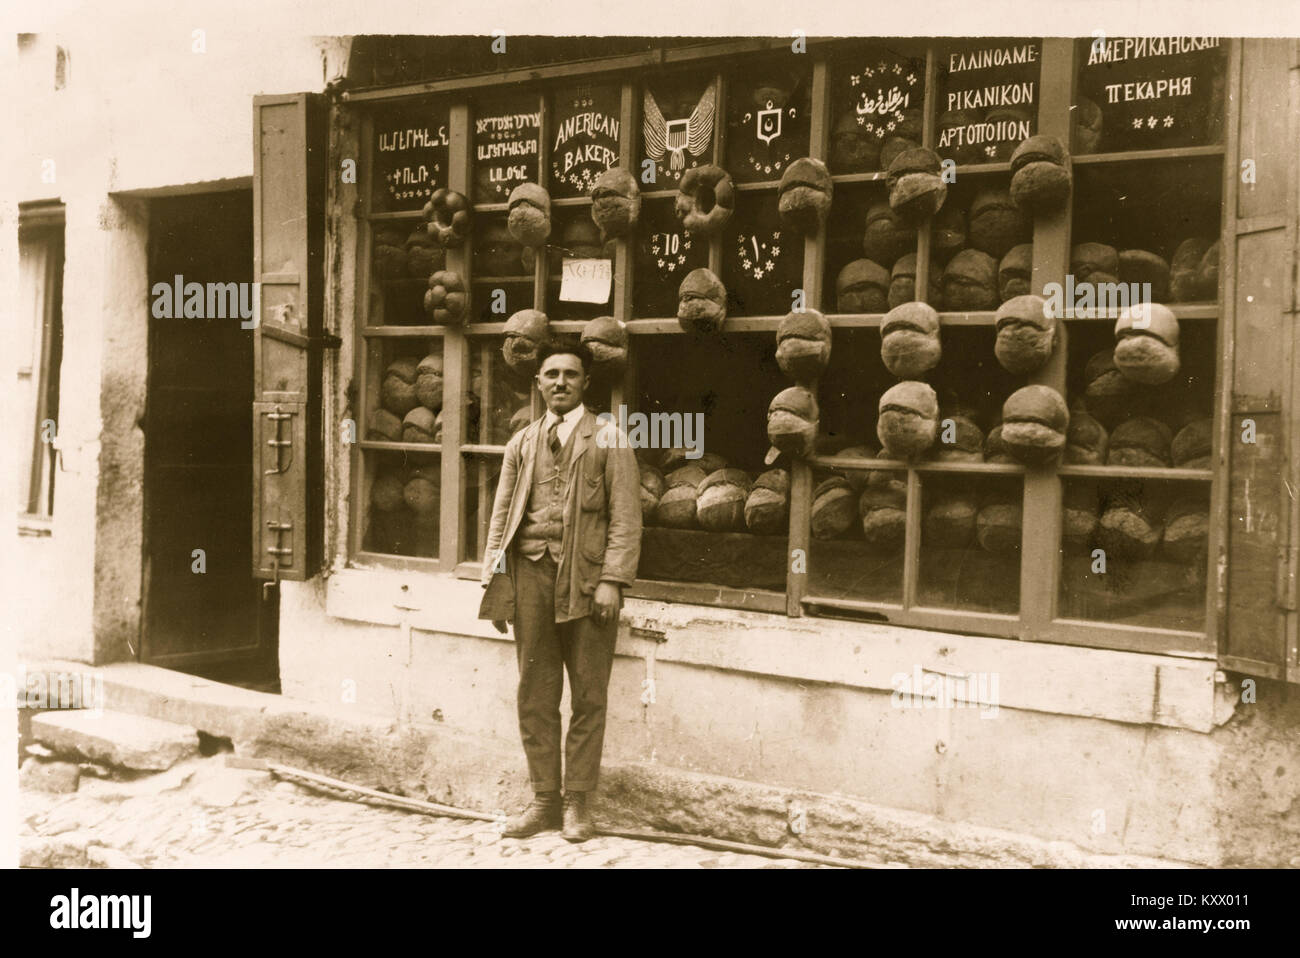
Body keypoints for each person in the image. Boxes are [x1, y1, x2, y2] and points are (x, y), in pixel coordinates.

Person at [479, 342, 641, 842]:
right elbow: (502, 517)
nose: (560, 382)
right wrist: (495, 580)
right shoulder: (523, 443)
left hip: (590, 585)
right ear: (538, 383)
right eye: (551, 374)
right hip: (529, 578)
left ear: (586, 382)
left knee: (589, 696)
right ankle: (544, 801)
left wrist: (612, 581)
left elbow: (627, 519)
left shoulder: (610, 439)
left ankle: (578, 806)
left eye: (571, 374)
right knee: (535, 694)